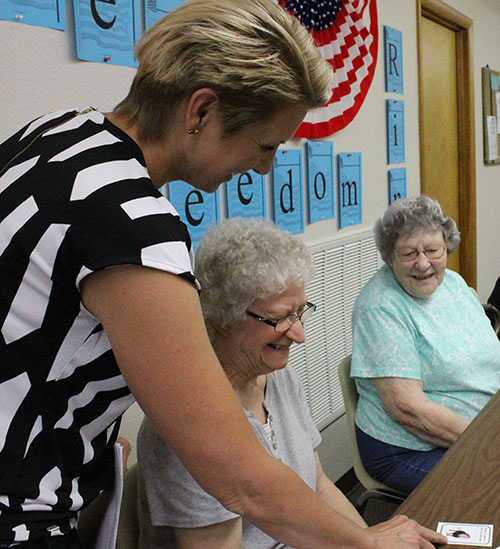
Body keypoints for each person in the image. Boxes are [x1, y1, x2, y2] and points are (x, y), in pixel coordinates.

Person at [0, 0, 446, 545]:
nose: (263, 167)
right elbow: (240, 482)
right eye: (264, 145)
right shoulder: (133, 225)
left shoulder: (56, 134)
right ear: (201, 111)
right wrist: (371, 542)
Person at [137, 218, 370, 547]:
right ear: (221, 318)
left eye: (301, 311)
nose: (300, 335)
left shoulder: (279, 377)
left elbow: (317, 486)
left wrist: (370, 541)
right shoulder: (185, 426)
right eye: (279, 318)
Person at [351, 195, 500, 495]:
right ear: (389, 255)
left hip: (484, 422)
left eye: (433, 250)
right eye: (408, 253)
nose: (422, 263)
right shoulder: (381, 307)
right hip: (410, 448)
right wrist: (488, 443)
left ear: (447, 247)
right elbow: (408, 409)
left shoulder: (454, 284)